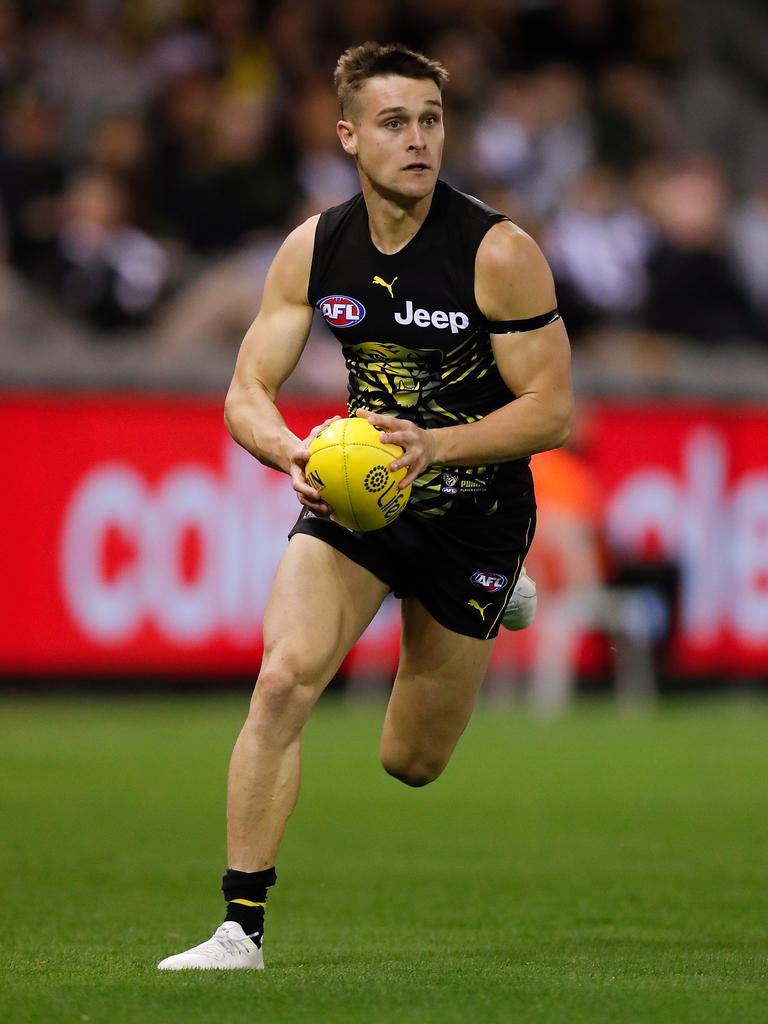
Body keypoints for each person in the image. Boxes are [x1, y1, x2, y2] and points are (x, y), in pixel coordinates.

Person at [157, 41, 573, 971]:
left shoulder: (499, 253)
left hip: (474, 507)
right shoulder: (317, 246)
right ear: (348, 135)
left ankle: (501, 587)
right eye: (394, 122)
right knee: (281, 679)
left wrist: (436, 445)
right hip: (362, 497)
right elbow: (244, 393)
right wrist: (291, 451)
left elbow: (552, 410)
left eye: (430, 120)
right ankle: (239, 931)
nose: (417, 140)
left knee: (410, 761)